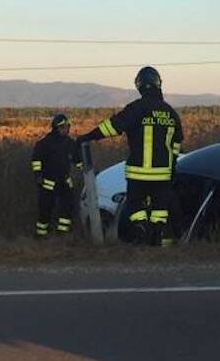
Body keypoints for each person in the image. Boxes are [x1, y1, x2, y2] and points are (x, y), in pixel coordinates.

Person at [76, 66, 183, 246]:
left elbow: (113, 126)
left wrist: (89, 136)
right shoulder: (170, 113)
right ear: (158, 84)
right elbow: (177, 143)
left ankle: (140, 232)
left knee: (135, 207)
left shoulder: (136, 108)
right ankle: (156, 238)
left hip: (138, 173)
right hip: (162, 174)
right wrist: (172, 166)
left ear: (140, 85)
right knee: (159, 210)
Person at [31, 114, 82, 238]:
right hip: (48, 183)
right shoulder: (44, 144)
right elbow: (36, 160)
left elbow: (77, 160)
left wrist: (86, 170)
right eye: (63, 127)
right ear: (56, 128)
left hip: (65, 182)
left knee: (68, 207)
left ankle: (62, 233)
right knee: (45, 209)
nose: (66, 129)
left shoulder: (70, 143)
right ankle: (41, 234)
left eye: (67, 127)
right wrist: (38, 175)